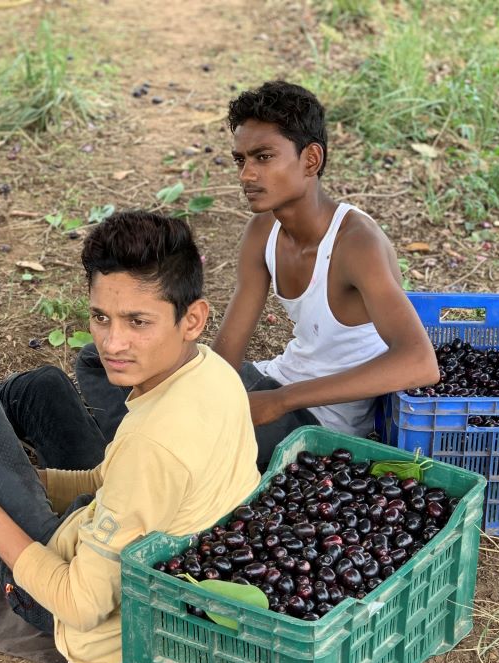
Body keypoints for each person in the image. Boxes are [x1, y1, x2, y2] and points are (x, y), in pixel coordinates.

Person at [0, 210, 260, 663]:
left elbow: (80, 604)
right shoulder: (211, 370)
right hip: (132, 535)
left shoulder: (153, 449)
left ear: (192, 319)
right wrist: (19, 476)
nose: (113, 343)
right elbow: (108, 479)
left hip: (77, 619)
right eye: (101, 317)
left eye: (138, 322)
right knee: (42, 390)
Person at [68, 80, 440, 469]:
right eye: (241, 160)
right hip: (269, 381)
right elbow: (228, 351)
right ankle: (135, 460)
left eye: (263, 157)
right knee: (104, 357)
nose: (247, 174)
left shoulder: (356, 243)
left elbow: (419, 362)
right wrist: (199, 386)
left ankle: (133, 463)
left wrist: (278, 402)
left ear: (311, 160)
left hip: (317, 420)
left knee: (193, 444)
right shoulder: (264, 230)